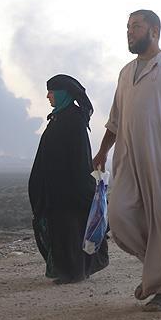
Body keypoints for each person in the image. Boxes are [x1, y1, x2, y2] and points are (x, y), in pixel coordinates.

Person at [93, 10, 161, 312]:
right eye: (127, 27)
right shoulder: (125, 72)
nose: (129, 32)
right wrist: (103, 151)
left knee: (160, 223)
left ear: (153, 30)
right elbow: (115, 120)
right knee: (119, 219)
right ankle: (159, 272)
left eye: (136, 27)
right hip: (127, 161)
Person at [29, 74, 108, 284]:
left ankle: (74, 272)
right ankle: (67, 271)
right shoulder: (59, 117)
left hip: (70, 189)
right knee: (62, 231)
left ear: (63, 93)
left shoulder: (73, 120)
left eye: (51, 92)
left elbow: (79, 157)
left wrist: (80, 186)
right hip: (57, 189)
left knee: (71, 231)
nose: (48, 96)